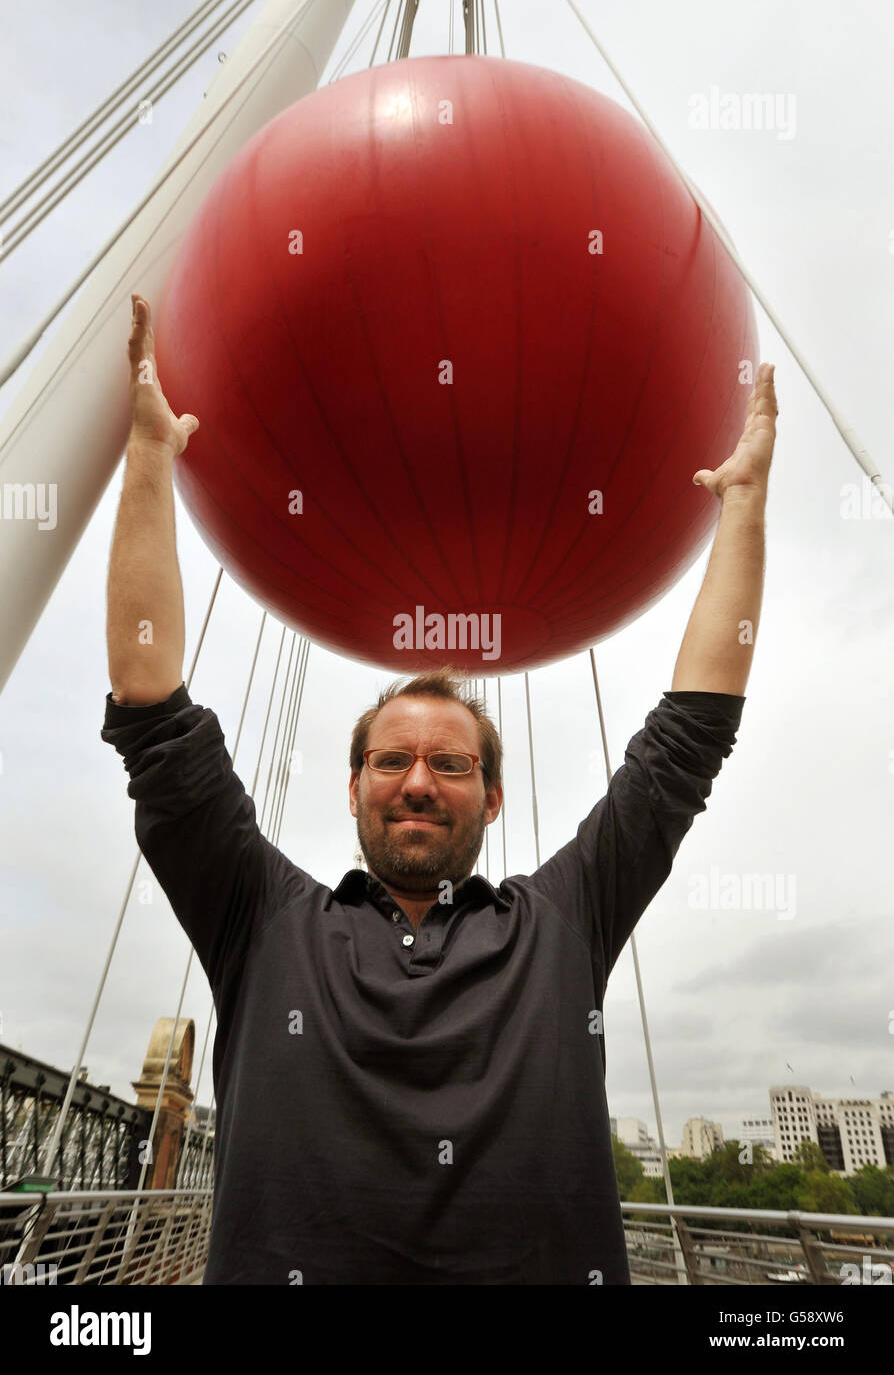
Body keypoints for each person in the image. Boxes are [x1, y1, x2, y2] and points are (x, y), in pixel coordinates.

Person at [102, 294, 778, 1284]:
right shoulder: (258, 918)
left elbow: (689, 737)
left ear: (491, 798)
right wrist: (150, 455)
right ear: (353, 786)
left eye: (451, 763)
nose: (418, 782)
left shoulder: (566, 919)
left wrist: (746, 509)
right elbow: (151, 702)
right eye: (392, 760)